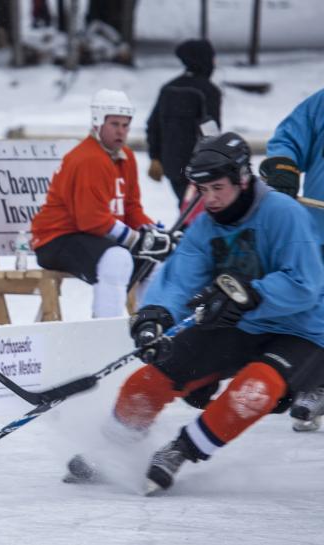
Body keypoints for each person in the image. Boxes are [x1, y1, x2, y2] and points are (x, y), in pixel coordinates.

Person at [64, 132, 324, 494]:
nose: (211, 199)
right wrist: (155, 316)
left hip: (301, 329)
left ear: (242, 178)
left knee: (254, 390)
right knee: (149, 379)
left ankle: (179, 452)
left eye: (218, 187)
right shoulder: (206, 225)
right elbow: (180, 278)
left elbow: (306, 284)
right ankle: (110, 449)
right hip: (240, 321)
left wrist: (253, 294)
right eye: (203, 191)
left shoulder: (284, 214)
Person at [31, 89, 175, 318]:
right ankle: (105, 331)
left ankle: (149, 328)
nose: (121, 131)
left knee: (154, 261)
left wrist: (154, 233)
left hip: (93, 237)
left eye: (125, 125)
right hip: (56, 238)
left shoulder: (125, 158)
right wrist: (137, 239)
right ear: (98, 123)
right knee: (116, 259)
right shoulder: (88, 159)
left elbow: (131, 209)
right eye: (114, 124)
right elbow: (90, 220)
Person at [261, 88, 324, 431]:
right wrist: (284, 169)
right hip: (317, 230)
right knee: (316, 310)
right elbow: (288, 138)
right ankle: (315, 386)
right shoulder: (321, 104)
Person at [146, 39, 222, 210]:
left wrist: (155, 157)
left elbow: (153, 126)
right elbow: (211, 133)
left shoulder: (169, 88)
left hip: (173, 167)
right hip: (199, 168)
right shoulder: (207, 91)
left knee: (186, 209)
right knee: (197, 214)